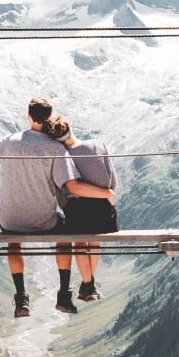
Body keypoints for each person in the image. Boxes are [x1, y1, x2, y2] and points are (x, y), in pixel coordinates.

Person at [0, 98, 115, 318]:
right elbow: (72, 186)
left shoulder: (10, 141)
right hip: (43, 220)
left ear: (28, 116)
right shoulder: (55, 148)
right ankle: (64, 294)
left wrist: (8, 159)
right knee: (65, 234)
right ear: (49, 117)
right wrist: (106, 194)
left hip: (9, 218)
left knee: (13, 239)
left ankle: (21, 296)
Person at [45, 115, 118, 302]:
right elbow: (113, 181)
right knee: (94, 242)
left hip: (78, 214)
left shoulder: (63, 156)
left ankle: (88, 284)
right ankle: (88, 285)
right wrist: (106, 195)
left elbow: (69, 189)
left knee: (79, 242)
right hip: (105, 214)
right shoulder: (97, 145)